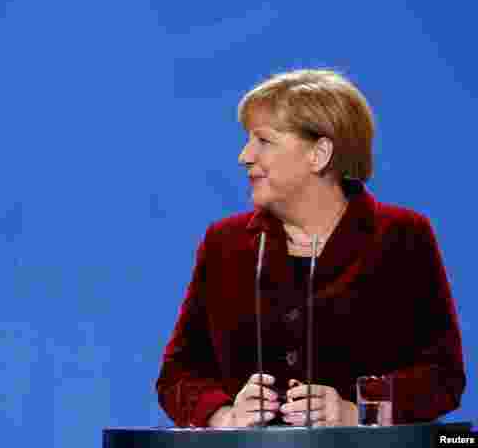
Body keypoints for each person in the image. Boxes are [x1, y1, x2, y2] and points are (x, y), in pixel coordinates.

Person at [156, 69, 464, 427]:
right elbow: (177, 374)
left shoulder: (403, 236)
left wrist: (357, 411)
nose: (244, 155)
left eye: (263, 141)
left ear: (319, 153)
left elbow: (444, 377)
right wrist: (224, 416)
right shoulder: (224, 243)